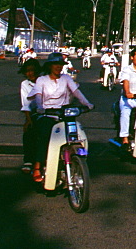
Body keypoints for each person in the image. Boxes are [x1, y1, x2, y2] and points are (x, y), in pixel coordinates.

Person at [26, 52, 93, 182]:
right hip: (46, 114)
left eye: (60, 64)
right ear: (50, 66)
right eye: (55, 64)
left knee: (76, 133)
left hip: (63, 114)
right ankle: (38, 166)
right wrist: (40, 107)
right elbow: (39, 95)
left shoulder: (66, 78)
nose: (58, 67)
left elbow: (76, 92)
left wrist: (87, 103)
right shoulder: (42, 80)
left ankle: (75, 159)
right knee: (45, 135)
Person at [19, 58, 43, 173]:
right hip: (34, 113)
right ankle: (28, 159)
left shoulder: (44, 80)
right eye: (27, 71)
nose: (31, 73)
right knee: (29, 132)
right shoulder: (25, 84)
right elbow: (26, 104)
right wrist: (28, 120)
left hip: (51, 111)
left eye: (33, 70)